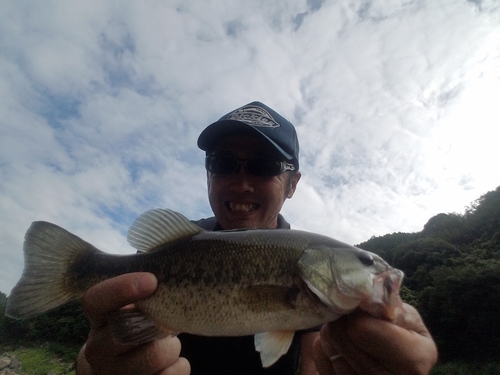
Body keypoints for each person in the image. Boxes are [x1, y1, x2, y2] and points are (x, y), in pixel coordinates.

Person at [76, 101, 438, 375]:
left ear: (292, 183)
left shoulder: (318, 295)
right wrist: (93, 364)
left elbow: (313, 364)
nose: (241, 181)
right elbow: (106, 345)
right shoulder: (167, 252)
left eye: (264, 166)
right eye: (222, 163)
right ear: (207, 172)